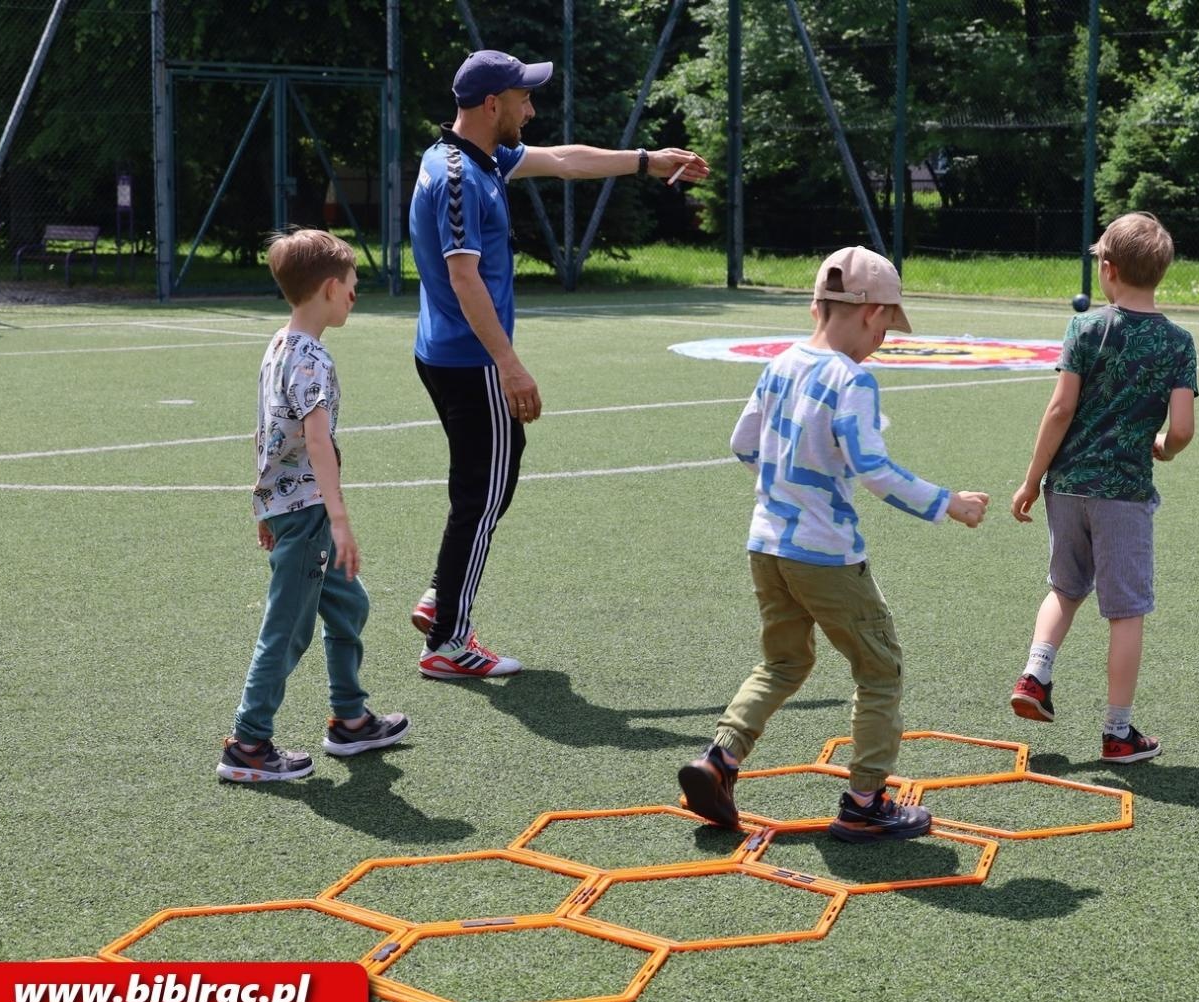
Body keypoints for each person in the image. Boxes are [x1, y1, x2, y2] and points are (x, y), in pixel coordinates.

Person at [408, 49, 710, 679]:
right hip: (470, 362)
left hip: (449, 356)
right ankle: (447, 640)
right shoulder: (460, 177)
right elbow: (465, 281)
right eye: (524, 97)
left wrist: (647, 162)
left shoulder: (474, 157)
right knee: (481, 493)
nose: (532, 107)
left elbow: (566, 160)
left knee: (492, 475)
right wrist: (509, 366)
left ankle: (443, 593)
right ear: (493, 105)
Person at [678, 246, 990, 843]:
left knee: (782, 662)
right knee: (879, 669)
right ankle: (865, 801)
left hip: (766, 543)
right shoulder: (853, 379)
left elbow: (743, 444)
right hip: (825, 553)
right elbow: (873, 470)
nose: (883, 341)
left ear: (818, 304)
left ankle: (719, 759)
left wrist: (788, 489)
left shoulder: (780, 364)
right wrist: (949, 502)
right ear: (872, 313)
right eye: (887, 328)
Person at [218, 229, 409, 783]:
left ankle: (350, 719)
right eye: (352, 286)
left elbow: (266, 434)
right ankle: (249, 744)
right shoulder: (309, 360)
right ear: (329, 288)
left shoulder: (279, 345)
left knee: (348, 605)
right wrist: (340, 521)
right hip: (306, 515)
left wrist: (264, 507)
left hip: (292, 510)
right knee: (288, 627)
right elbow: (316, 441)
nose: (355, 295)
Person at [1007, 211, 1197, 764]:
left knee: (1064, 587)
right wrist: (1163, 446)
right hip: (1123, 494)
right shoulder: (1178, 343)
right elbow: (1182, 428)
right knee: (1125, 611)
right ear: (1159, 273)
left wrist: (1031, 478)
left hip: (1065, 487)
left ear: (1107, 270)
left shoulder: (1084, 327)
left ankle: (1036, 674)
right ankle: (1118, 732)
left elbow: (1061, 407)